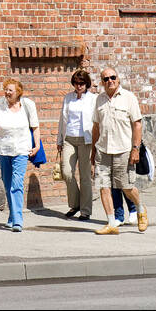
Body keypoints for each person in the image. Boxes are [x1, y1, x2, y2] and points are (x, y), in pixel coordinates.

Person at [91, 66, 148, 235]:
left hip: (123, 149)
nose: (110, 81)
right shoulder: (99, 100)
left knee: (126, 186)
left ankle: (140, 209)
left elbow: (137, 124)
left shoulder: (129, 98)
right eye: (106, 79)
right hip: (103, 150)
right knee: (103, 186)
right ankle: (111, 223)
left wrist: (135, 149)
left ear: (118, 79)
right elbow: (96, 127)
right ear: (102, 82)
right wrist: (93, 152)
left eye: (112, 77)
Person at [0, 78, 40, 232]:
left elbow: (35, 127)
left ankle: (18, 220)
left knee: (17, 183)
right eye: (5, 89)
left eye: (10, 90)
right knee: (8, 184)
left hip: (21, 149)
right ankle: (12, 216)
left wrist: (37, 145)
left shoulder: (28, 105)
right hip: (3, 149)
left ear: (18, 92)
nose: (7, 92)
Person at [56, 69, 96, 220]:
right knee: (66, 172)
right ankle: (75, 203)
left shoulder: (93, 99)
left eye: (82, 83)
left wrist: (96, 143)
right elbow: (62, 119)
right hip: (69, 139)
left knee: (85, 176)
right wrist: (59, 139)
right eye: (76, 83)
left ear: (87, 84)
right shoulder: (68, 98)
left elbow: (96, 122)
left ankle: (85, 210)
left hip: (86, 140)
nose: (79, 86)